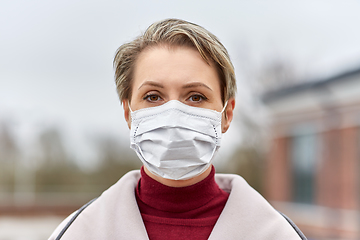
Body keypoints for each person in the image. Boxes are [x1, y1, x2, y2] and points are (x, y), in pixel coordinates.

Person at [49, 18, 307, 240]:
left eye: (195, 97)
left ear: (226, 115)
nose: (173, 115)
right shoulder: (77, 232)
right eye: (153, 96)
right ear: (128, 113)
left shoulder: (278, 234)